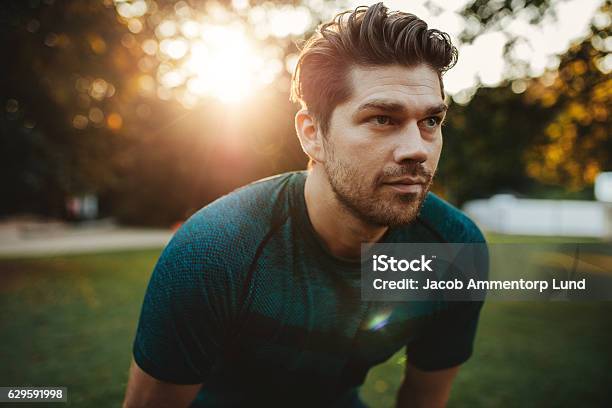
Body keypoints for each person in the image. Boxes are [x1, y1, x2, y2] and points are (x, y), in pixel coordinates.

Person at [123, 3, 487, 407]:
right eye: (383, 119)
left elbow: (425, 399)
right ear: (313, 134)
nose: (416, 149)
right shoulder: (213, 253)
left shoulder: (453, 250)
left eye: (431, 122)